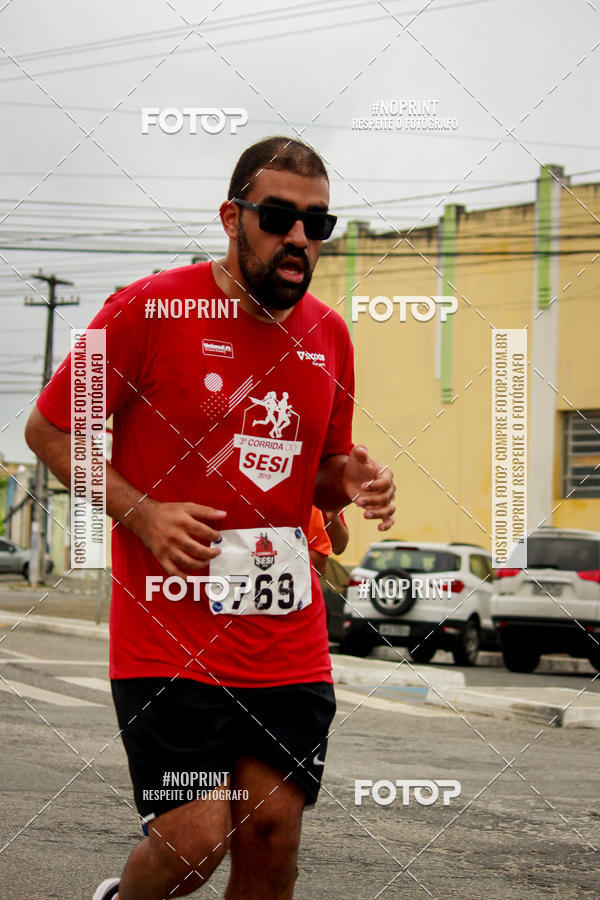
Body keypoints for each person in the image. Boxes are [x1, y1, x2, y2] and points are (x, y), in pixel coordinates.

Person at [25, 135, 396, 900]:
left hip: (284, 638)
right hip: (169, 634)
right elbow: (49, 431)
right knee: (193, 844)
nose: (299, 237)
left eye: (317, 223)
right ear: (233, 217)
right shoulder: (150, 309)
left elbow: (321, 473)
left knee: (272, 833)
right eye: (279, 217)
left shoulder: (329, 336)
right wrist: (143, 513)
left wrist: (353, 480)